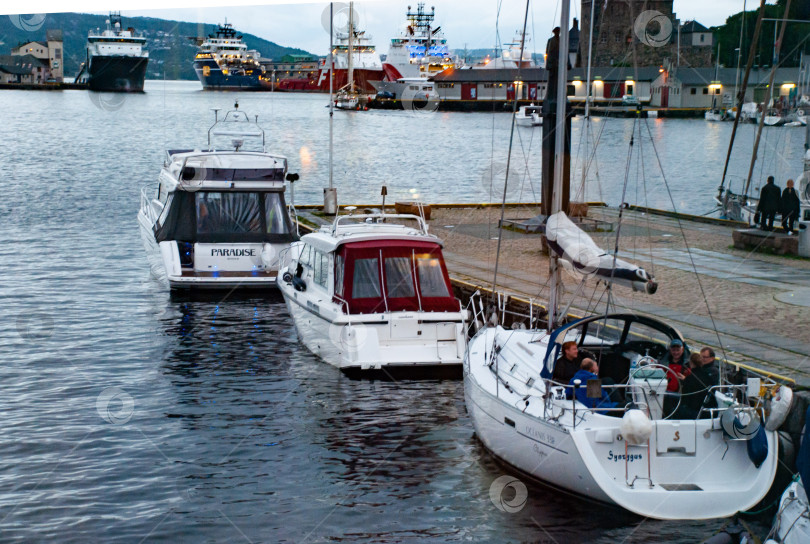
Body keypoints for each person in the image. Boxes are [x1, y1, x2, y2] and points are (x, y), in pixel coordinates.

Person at [676, 347, 720, 419]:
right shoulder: (698, 369)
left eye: (704, 357)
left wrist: (686, 380)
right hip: (693, 403)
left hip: (702, 405)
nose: (701, 359)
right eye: (700, 357)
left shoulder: (712, 371)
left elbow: (702, 385)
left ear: (712, 358)